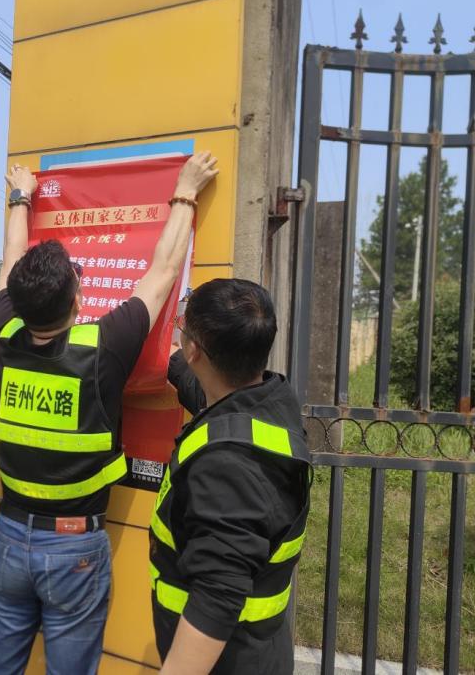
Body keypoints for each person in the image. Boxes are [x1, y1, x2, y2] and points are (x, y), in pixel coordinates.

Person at [0, 152, 218, 675]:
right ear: (77, 301)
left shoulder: (6, 331)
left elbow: (11, 257)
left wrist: (21, 196)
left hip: (10, 535)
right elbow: (163, 272)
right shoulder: (103, 347)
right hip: (73, 546)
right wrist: (185, 192)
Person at [150, 279, 313, 674]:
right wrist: (173, 358)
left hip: (228, 662)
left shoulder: (228, 467)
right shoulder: (272, 400)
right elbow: (210, 396)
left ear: (194, 349)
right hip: (258, 649)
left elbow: (218, 596)